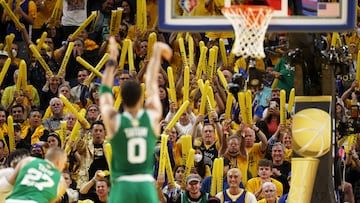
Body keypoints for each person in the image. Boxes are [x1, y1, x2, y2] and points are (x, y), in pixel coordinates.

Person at [99, 38, 172, 203]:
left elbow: (104, 94)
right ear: (141, 98)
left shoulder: (115, 120)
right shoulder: (151, 117)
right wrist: (155, 58)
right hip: (145, 185)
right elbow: (152, 86)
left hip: (122, 185)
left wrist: (112, 60)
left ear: (122, 99)